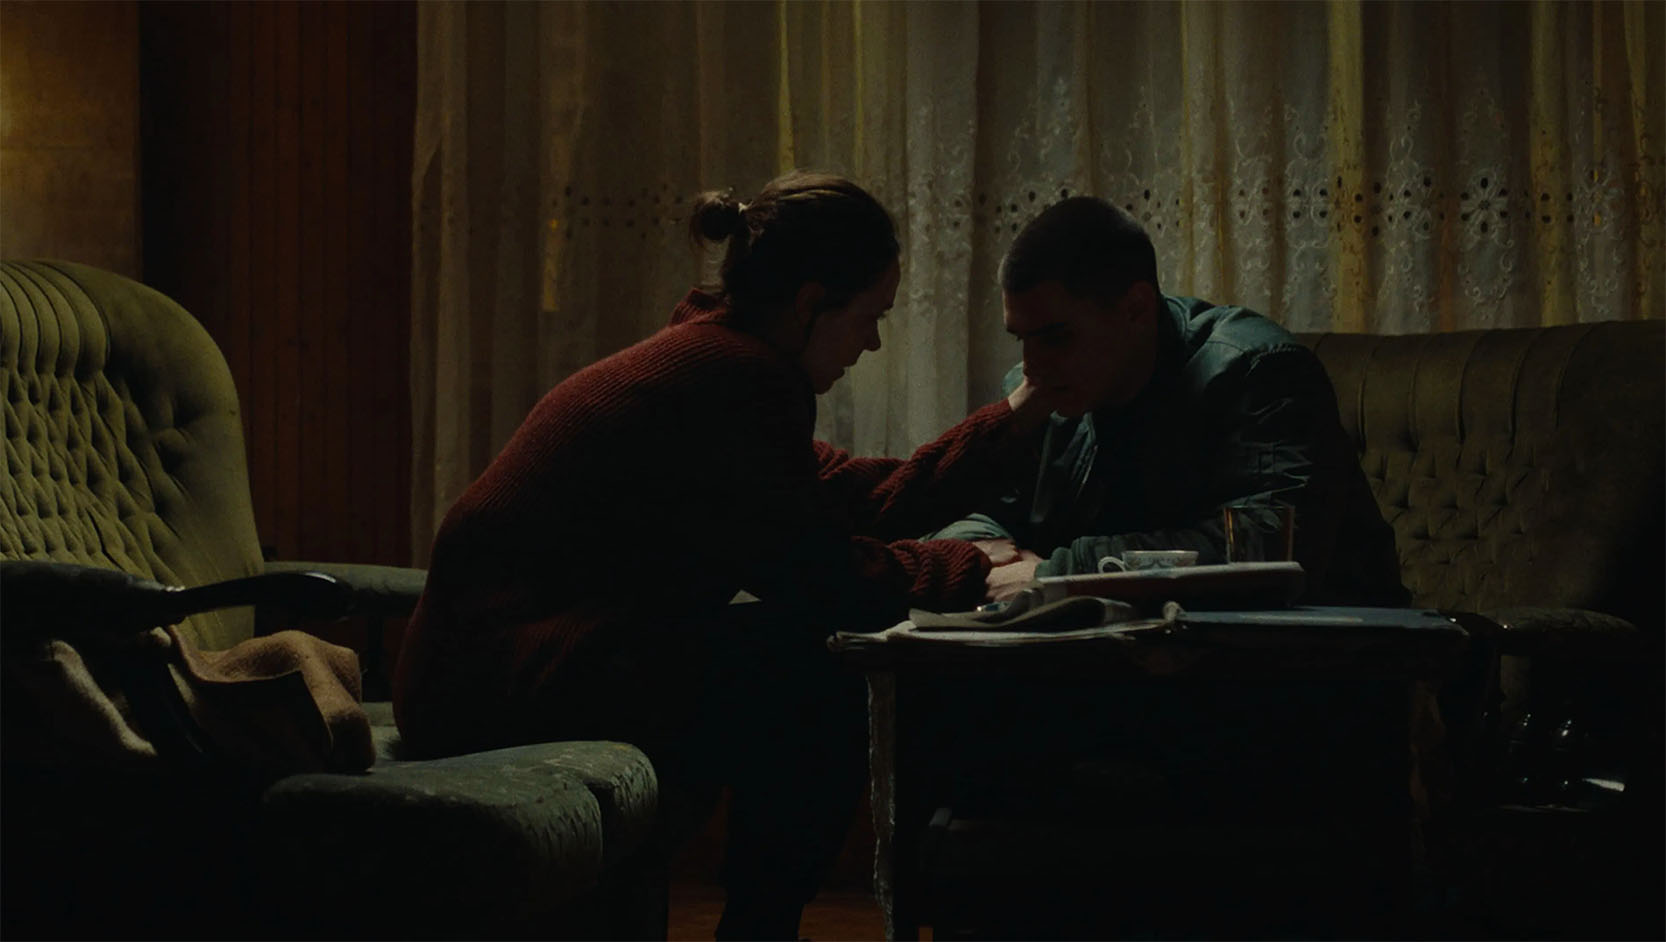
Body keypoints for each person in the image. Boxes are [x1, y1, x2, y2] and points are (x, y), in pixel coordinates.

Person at [393, 170, 1054, 939]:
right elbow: (819, 575)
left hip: (498, 666)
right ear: (810, 302)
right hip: (492, 681)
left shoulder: (720, 357)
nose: (872, 343)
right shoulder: (733, 378)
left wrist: (1019, 411)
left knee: (790, 657)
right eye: (870, 317)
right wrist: (973, 568)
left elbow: (854, 498)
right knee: (815, 663)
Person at [938, 195, 1408, 607]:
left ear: (1136, 309)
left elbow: (1266, 551)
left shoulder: (1258, 372)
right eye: (1020, 338)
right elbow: (967, 515)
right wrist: (975, 555)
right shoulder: (1043, 392)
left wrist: (1057, 573)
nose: (1031, 366)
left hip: (1318, 657)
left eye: (1056, 338)